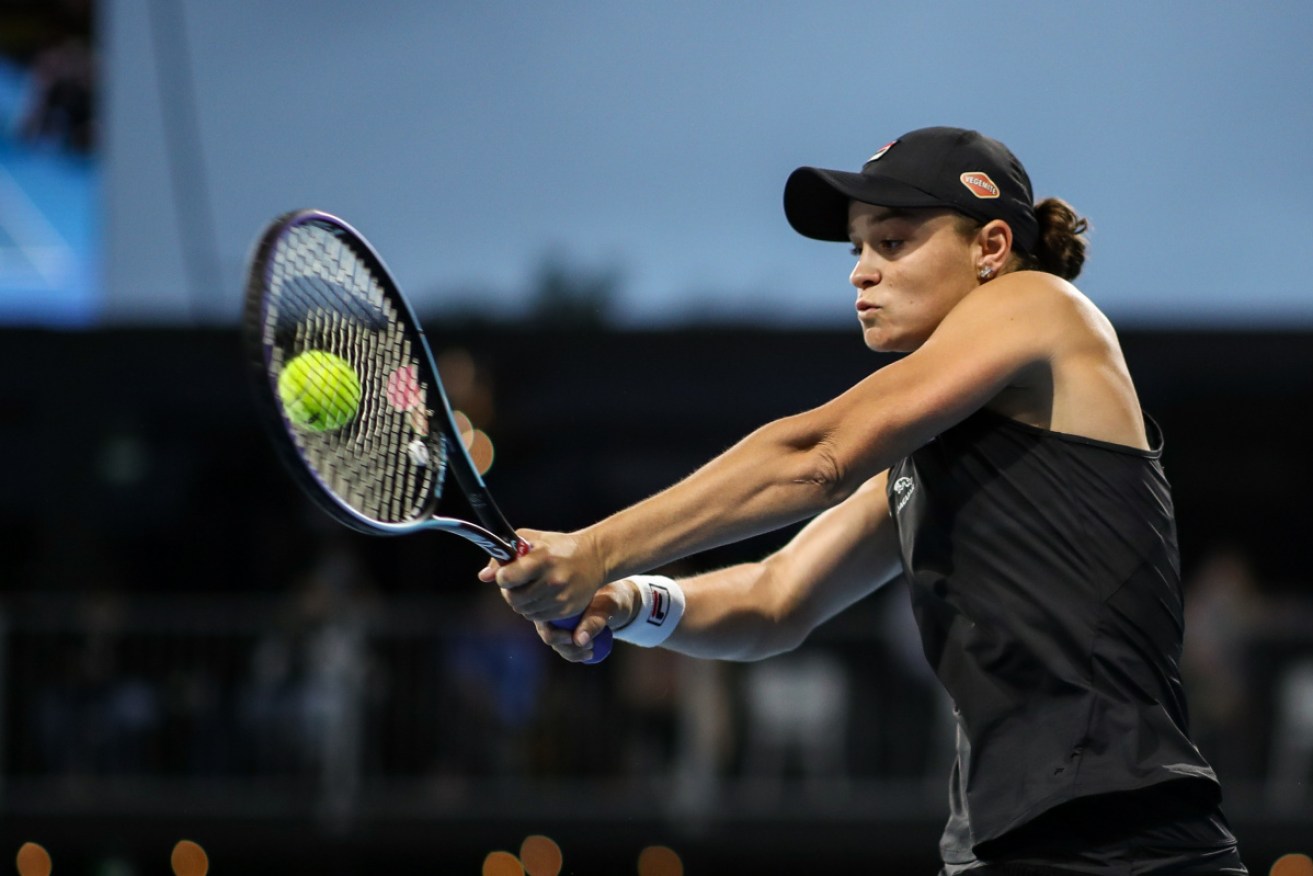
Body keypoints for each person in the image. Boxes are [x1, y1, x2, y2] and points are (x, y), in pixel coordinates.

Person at [481, 127, 1247, 874]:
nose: (860, 273)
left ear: (990, 249)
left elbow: (817, 455)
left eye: (892, 241)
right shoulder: (925, 459)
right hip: (1004, 841)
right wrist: (623, 599)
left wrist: (594, 549)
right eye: (857, 250)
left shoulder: (1043, 306)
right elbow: (777, 597)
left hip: (1123, 837)